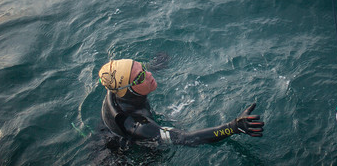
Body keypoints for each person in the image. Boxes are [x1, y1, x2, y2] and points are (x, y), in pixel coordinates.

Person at [98, 58, 264, 146]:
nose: (148, 74)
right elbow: (186, 138)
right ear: (127, 88)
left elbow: (130, 74)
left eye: (143, 67)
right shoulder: (139, 126)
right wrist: (233, 127)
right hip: (126, 152)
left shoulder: (116, 84)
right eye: (140, 76)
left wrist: (155, 65)